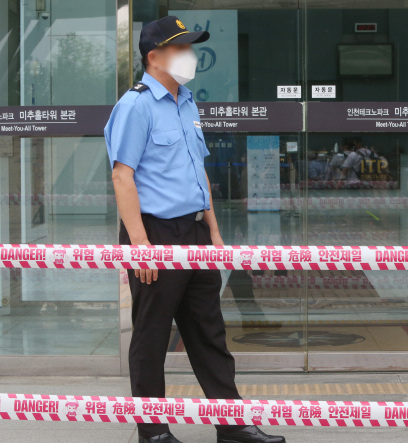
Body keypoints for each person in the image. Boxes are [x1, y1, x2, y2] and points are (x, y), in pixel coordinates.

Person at [104, 15, 286, 443]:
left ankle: (232, 424)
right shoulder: (135, 105)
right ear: (155, 56)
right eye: (181, 48)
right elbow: (122, 177)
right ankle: (152, 431)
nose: (190, 55)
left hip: (195, 232)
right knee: (151, 334)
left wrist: (214, 232)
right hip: (154, 233)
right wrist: (140, 245)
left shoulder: (187, 102)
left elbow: (197, 171)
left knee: (208, 328)